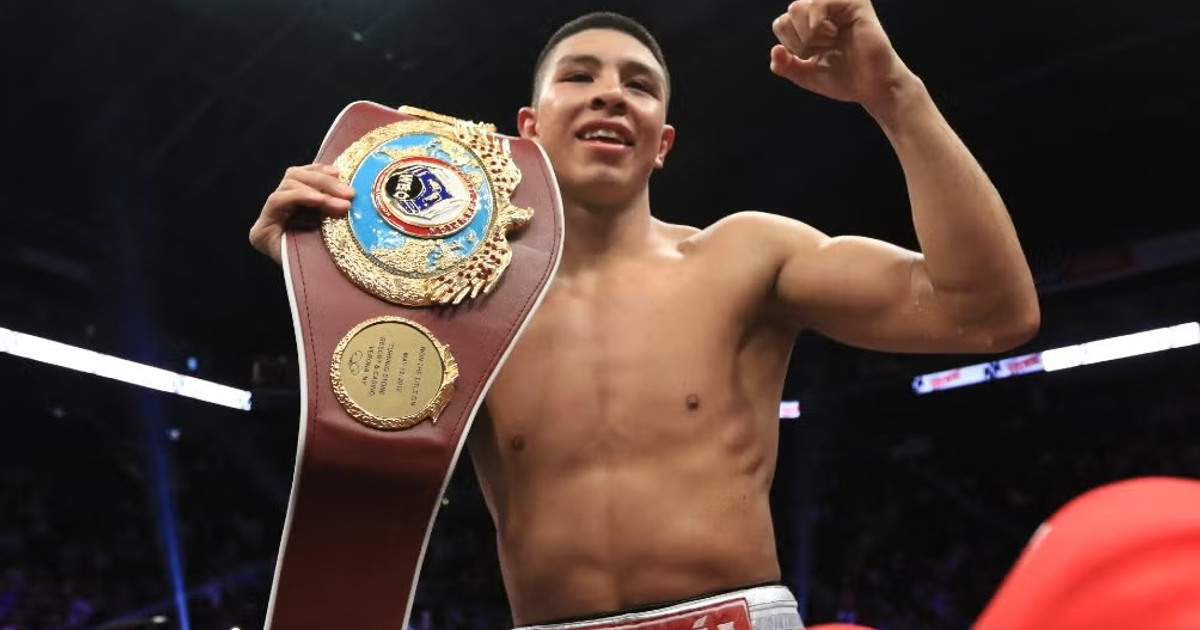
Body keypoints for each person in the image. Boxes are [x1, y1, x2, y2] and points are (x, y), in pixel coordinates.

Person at [249, 1, 1041, 628]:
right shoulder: (462, 301)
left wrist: (894, 95)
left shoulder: (746, 256)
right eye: (580, 75)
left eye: (637, 82)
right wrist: (326, 278)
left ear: (661, 142)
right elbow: (364, 454)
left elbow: (988, 311)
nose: (609, 92)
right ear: (527, 129)